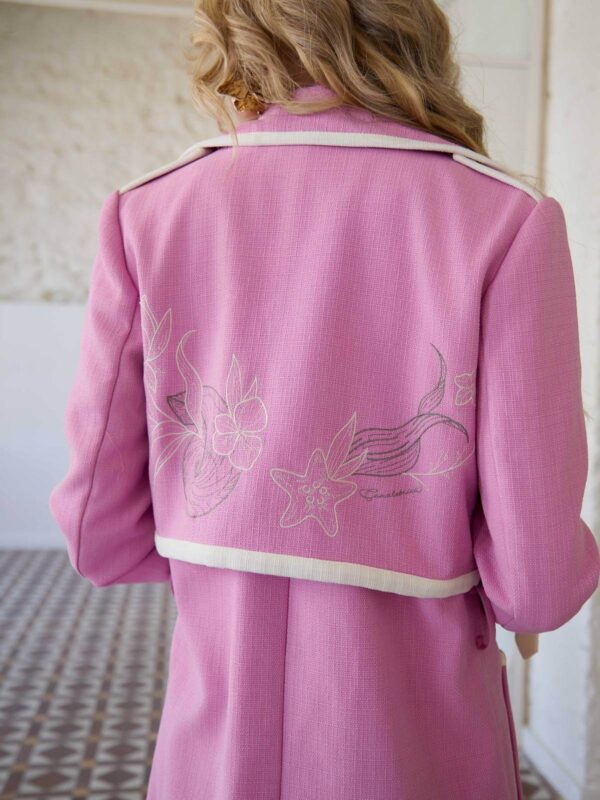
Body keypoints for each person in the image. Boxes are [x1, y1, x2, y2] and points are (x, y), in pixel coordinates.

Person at [48, 1, 600, 798]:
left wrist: (230, 543)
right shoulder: (508, 220)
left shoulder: (149, 210)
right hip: (417, 743)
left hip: (215, 741)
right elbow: (537, 585)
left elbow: (97, 536)